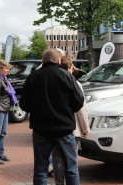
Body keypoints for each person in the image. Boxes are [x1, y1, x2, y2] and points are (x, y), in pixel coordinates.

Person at [19, 48, 84, 185]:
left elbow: (23, 104)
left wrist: (37, 110)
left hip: (40, 129)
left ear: (43, 60)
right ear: (58, 60)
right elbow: (79, 101)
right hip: (64, 129)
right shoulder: (67, 76)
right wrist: (66, 110)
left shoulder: (33, 77)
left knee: (40, 169)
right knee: (71, 168)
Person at [52, 56, 90, 184]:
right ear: (71, 67)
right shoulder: (75, 83)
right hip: (72, 128)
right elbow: (81, 108)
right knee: (71, 160)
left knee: (57, 159)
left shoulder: (52, 82)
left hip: (55, 128)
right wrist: (85, 128)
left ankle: (59, 183)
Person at [0, 60, 17, 164]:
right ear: (0, 68)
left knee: (3, 133)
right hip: (0, 109)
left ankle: (0, 154)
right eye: (6, 68)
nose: (8, 70)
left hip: (5, 108)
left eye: (8, 68)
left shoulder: (4, 78)